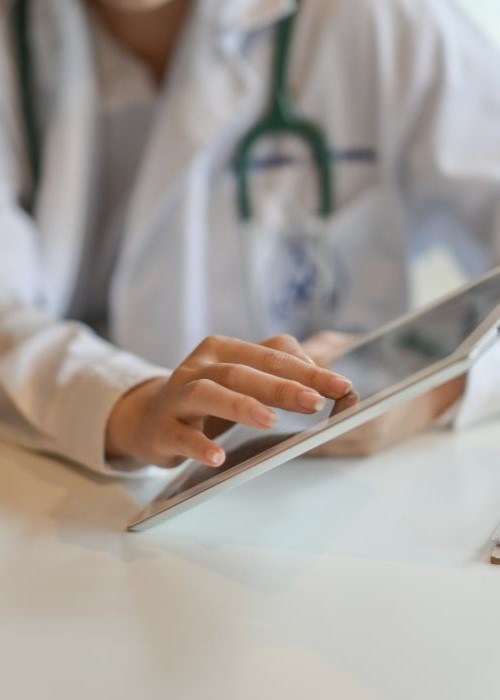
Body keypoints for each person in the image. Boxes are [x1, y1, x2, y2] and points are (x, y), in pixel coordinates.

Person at [0, 0, 499, 477]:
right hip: (85, 498)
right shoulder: (14, 36)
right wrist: (130, 406)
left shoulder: (382, 17)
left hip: (351, 486)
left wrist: (439, 390)